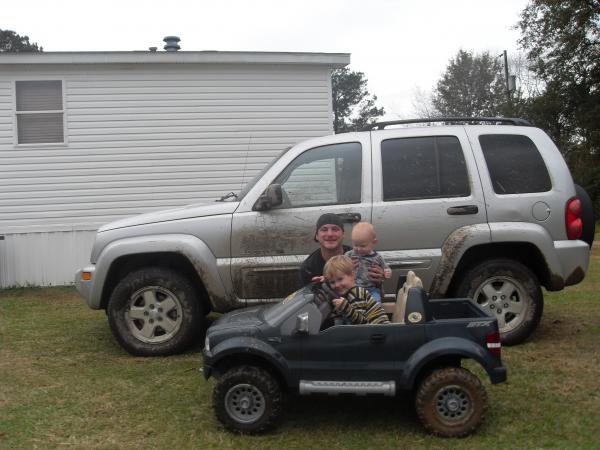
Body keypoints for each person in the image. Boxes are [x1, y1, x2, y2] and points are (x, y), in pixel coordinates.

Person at [299, 213, 385, 286]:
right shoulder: (308, 268)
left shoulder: (358, 255)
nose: (329, 234)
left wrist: (380, 277)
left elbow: (377, 289)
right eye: (324, 229)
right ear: (316, 236)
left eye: (335, 229)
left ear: (343, 234)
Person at [323, 255, 390, 325]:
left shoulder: (357, 294)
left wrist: (345, 307)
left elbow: (360, 322)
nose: (337, 285)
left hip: (377, 330)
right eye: (332, 282)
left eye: (340, 279)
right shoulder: (349, 294)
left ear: (352, 276)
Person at [345, 222, 391, 303]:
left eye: (363, 246)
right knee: (351, 304)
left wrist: (387, 273)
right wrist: (347, 267)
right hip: (354, 288)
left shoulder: (377, 257)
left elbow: (386, 268)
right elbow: (339, 264)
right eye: (355, 245)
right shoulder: (350, 254)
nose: (358, 249)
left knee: (375, 303)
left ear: (374, 242)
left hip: (372, 289)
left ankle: (375, 315)